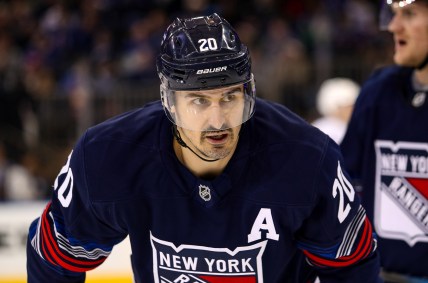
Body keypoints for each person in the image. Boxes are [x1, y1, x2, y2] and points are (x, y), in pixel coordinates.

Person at [27, 13, 381, 282]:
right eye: (198, 100)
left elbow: (352, 265)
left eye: (229, 96)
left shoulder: (307, 158)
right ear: (169, 100)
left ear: (248, 92)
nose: (218, 120)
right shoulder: (107, 156)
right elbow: (55, 256)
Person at [340, 0, 428, 282]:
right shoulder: (380, 90)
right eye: (394, 14)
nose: (393, 26)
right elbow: (345, 183)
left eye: (410, 14)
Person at [312, 78, 360, 144]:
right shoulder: (326, 130)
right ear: (337, 107)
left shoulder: (346, 126)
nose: (353, 109)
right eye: (349, 106)